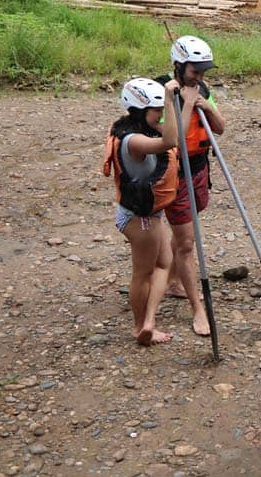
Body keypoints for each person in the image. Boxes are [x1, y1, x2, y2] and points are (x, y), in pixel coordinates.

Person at [102, 77, 182, 346]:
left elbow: (171, 133)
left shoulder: (139, 129)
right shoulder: (133, 140)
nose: (160, 115)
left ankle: (149, 321)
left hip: (148, 213)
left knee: (164, 263)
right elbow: (170, 139)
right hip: (139, 219)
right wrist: (170, 101)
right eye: (156, 110)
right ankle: (139, 327)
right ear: (139, 111)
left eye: (161, 109)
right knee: (143, 272)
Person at [158, 35, 225, 336]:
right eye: (195, 71)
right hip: (176, 174)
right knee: (186, 242)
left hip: (199, 170)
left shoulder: (202, 90)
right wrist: (186, 104)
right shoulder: (164, 94)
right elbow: (177, 139)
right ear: (179, 65)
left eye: (203, 71)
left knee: (184, 232)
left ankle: (174, 281)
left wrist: (205, 105)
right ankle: (198, 309)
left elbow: (220, 128)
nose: (200, 76)